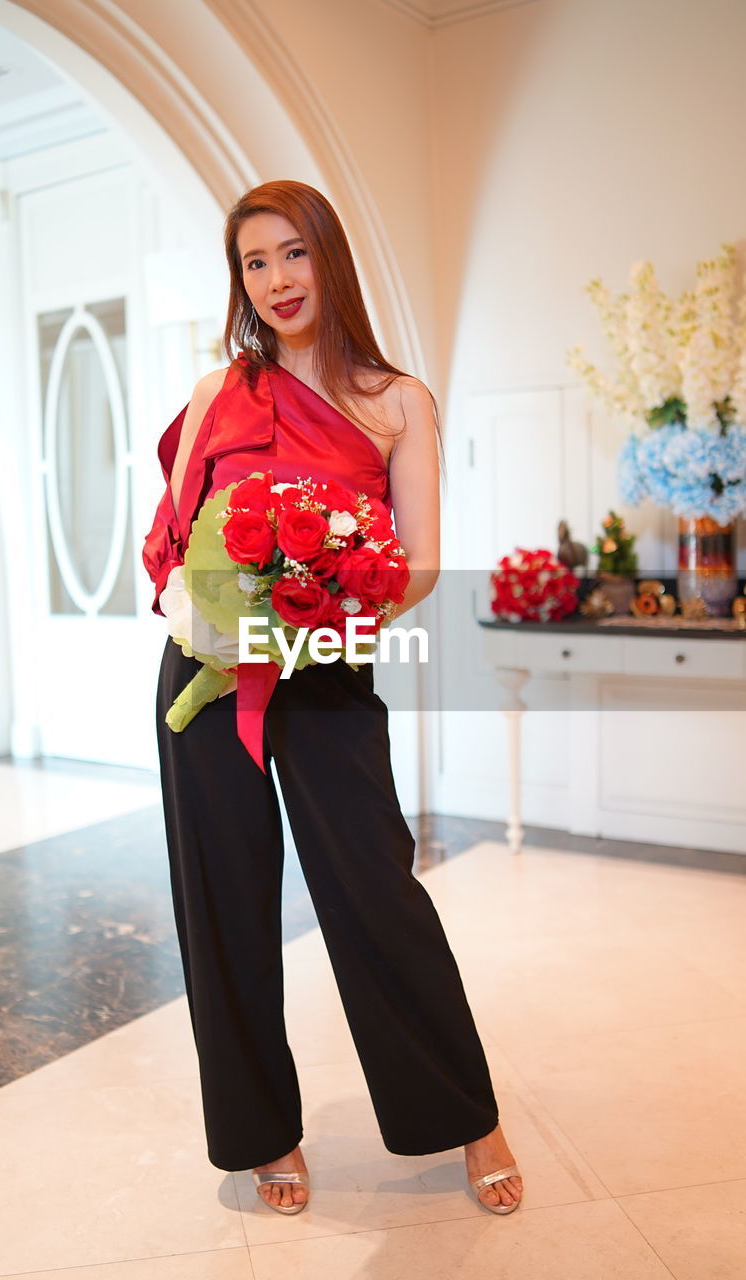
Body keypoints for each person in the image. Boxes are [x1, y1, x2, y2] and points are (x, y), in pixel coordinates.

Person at [143, 180, 524, 1217]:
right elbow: (173, 538)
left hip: (324, 671)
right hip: (207, 678)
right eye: (253, 264)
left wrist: (321, 611)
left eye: (290, 254)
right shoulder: (222, 390)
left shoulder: (396, 398)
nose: (275, 281)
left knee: (374, 889)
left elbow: (424, 563)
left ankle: (466, 1111)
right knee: (220, 899)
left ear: (329, 259)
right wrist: (211, 611)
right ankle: (263, 1132)